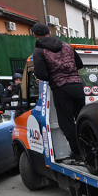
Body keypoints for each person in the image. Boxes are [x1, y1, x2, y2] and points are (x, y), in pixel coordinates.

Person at [31, 22, 85, 164]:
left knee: (66, 122)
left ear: (35, 35)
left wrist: (54, 77)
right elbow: (79, 64)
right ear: (49, 32)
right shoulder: (67, 46)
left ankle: (78, 154)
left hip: (61, 88)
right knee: (81, 119)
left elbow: (41, 74)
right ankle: (90, 147)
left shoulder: (39, 51)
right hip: (78, 85)